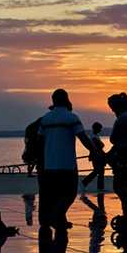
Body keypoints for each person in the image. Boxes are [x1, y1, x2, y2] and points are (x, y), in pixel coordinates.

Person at [37, 89, 99, 230]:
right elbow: (83, 138)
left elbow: (39, 141)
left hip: (49, 165)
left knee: (54, 195)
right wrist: (94, 151)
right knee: (69, 194)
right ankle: (57, 216)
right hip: (67, 164)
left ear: (53, 100)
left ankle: (59, 220)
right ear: (66, 99)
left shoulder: (45, 119)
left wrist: (40, 161)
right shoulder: (71, 118)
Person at [81, 122, 106, 192]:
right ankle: (85, 182)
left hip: (98, 156)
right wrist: (101, 144)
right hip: (96, 156)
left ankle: (100, 187)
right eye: (99, 128)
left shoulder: (95, 136)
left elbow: (101, 145)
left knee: (100, 172)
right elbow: (101, 145)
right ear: (96, 128)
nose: (100, 130)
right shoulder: (93, 136)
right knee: (97, 171)